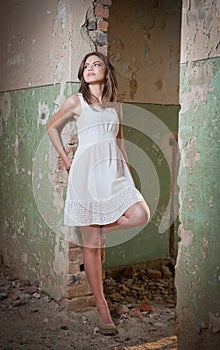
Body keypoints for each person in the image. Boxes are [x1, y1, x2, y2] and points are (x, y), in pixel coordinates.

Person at [47, 52, 150, 335]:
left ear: (106, 70)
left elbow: (118, 141)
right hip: (86, 174)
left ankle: (105, 228)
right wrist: (66, 159)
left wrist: (126, 174)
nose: (90, 69)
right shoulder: (76, 102)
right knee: (90, 247)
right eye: (86, 66)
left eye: (96, 64)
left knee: (141, 213)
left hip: (113, 173)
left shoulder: (116, 107)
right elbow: (51, 127)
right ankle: (102, 308)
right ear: (82, 74)